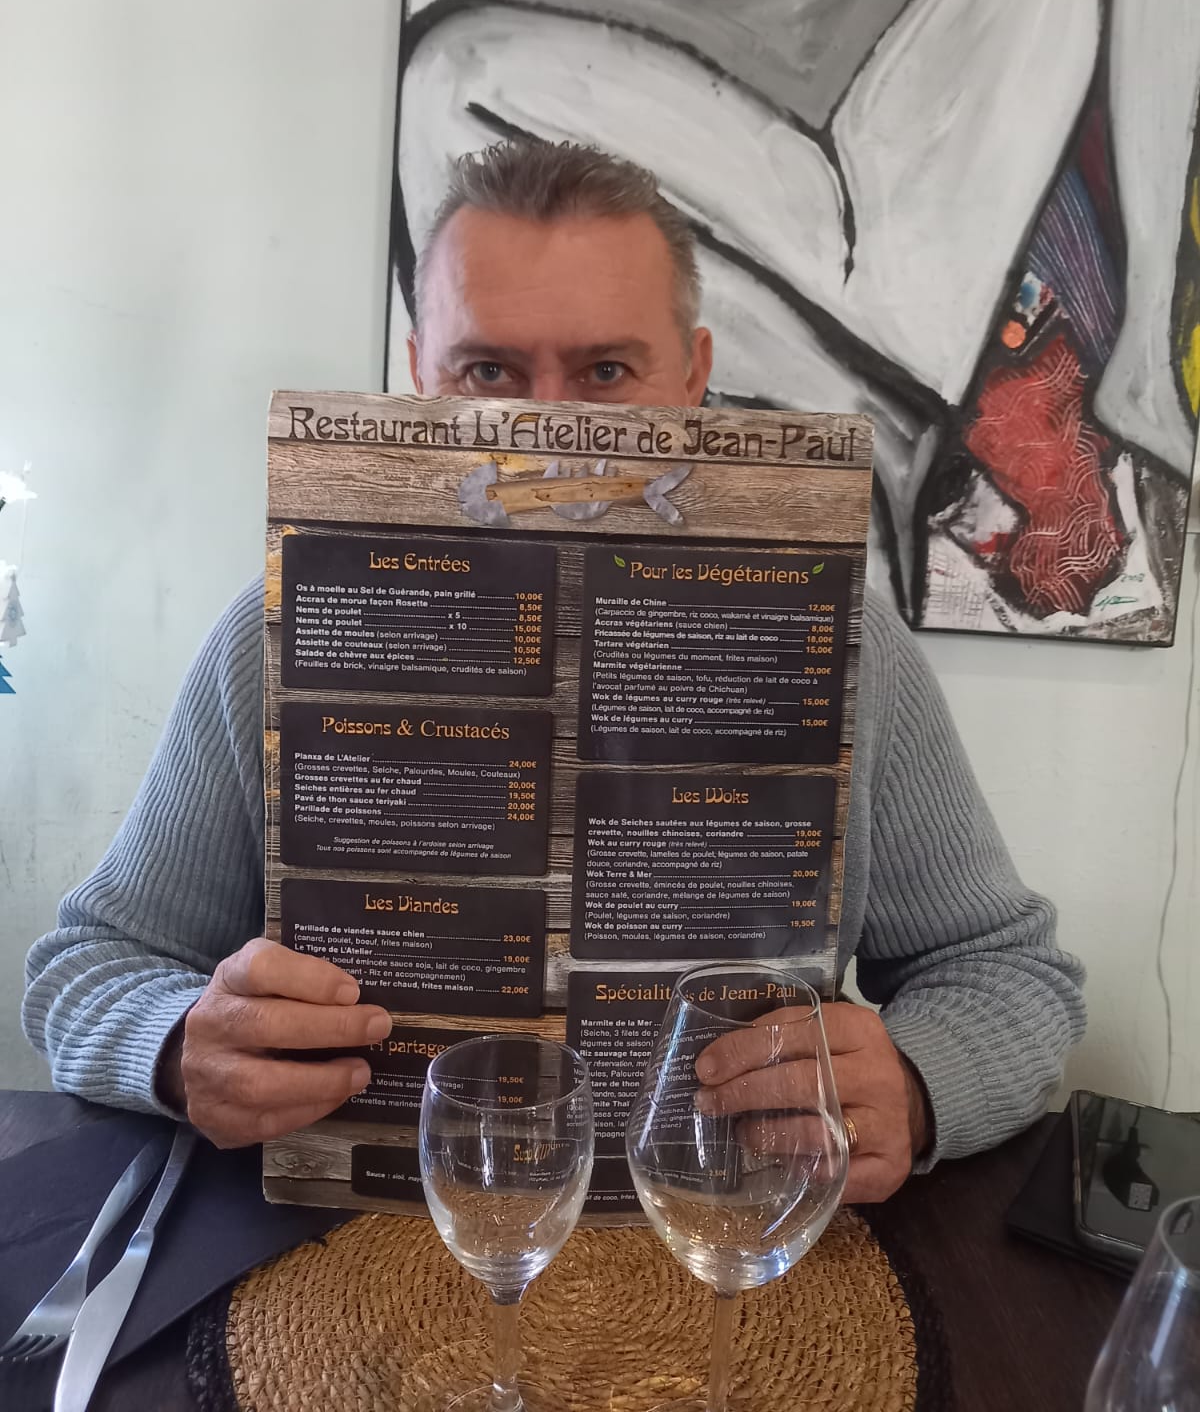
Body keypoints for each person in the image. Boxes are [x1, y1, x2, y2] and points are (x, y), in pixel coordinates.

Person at [23, 141, 1085, 1203]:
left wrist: (918, 1081)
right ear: (420, 374)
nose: (552, 432)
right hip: (363, 1234)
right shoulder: (276, 629)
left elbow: (1009, 974)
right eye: (488, 372)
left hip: (721, 1235)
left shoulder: (853, 643)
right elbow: (88, 967)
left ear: (693, 377)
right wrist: (177, 1042)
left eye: (606, 372)